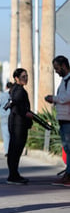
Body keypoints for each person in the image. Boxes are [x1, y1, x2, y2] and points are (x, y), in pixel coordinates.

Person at [45, 55, 70, 187]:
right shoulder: (64, 81)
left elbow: (66, 97)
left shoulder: (69, 80)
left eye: (57, 68)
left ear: (64, 66)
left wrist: (53, 98)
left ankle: (68, 176)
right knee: (67, 148)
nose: (56, 71)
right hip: (63, 119)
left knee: (69, 148)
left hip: (68, 120)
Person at [6, 68, 33, 185]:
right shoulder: (19, 91)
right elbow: (16, 106)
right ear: (16, 78)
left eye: (26, 76)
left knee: (14, 150)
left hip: (16, 123)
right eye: (23, 77)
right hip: (18, 124)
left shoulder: (15, 89)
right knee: (16, 150)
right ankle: (13, 175)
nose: (26, 78)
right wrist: (25, 113)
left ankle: (14, 174)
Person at [0, 82, 13, 156]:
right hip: (13, 116)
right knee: (13, 133)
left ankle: (7, 151)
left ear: (6, 87)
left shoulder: (1, 96)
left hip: (4, 117)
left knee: (6, 134)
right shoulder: (13, 95)